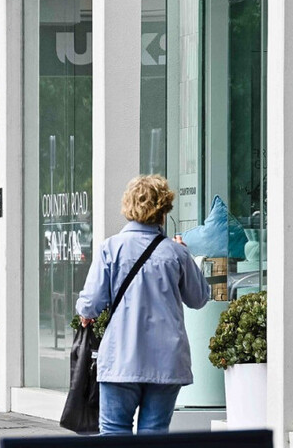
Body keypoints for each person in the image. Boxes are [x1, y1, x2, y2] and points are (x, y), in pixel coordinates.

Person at [76, 175, 210, 435]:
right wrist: (186, 254)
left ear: (128, 205)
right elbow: (199, 298)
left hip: (121, 359)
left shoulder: (110, 248)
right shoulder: (175, 252)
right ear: (164, 208)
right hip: (166, 361)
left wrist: (84, 312)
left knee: (115, 430)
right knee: (155, 432)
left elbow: (91, 304)